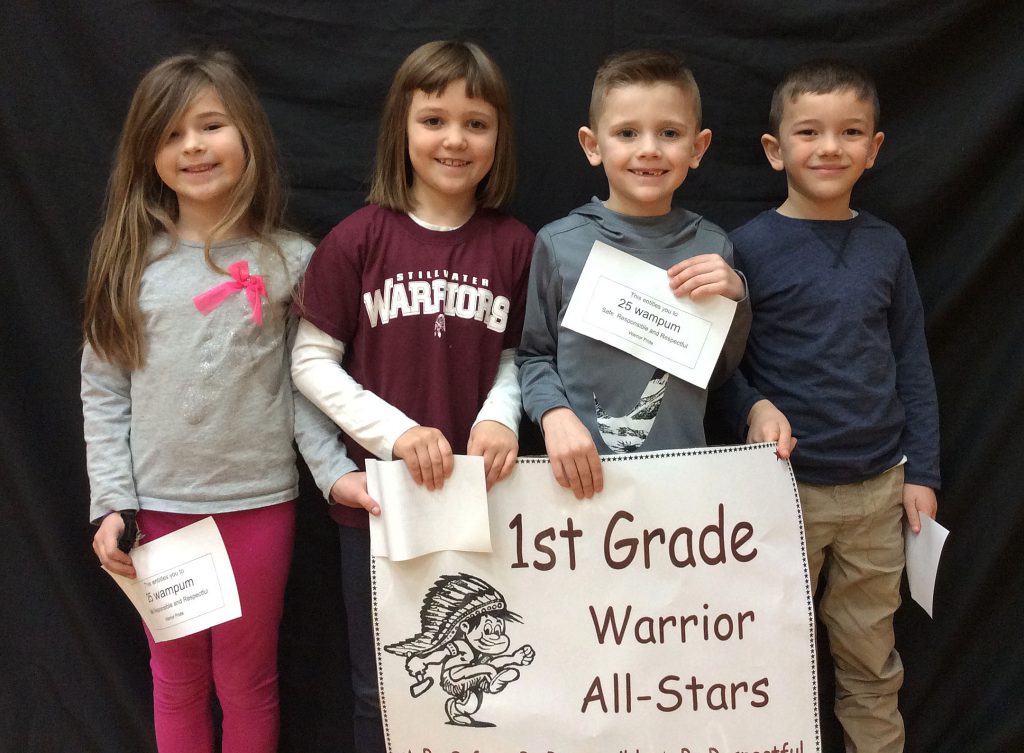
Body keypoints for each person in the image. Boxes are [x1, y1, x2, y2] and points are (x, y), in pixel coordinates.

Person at [81, 51, 364, 753]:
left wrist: (331, 473)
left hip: (258, 506)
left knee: (247, 682)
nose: (194, 146)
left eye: (211, 125)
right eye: (172, 134)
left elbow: (306, 386)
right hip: (162, 511)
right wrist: (112, 501)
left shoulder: (292, 260)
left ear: (248, 138)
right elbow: (104, 390)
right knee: (175, 680)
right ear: (148, 153)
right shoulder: (129, 264)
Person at [290, 40, 534, 753]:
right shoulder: (358, 238)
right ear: (402, 126)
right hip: (380, 507)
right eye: (434, 119)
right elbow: (308, 359)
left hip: (485, 502)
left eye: (475, 122)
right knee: (384, 689)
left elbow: (520, 356)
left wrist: (498, 417)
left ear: (499, 137)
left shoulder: (516, 245)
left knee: (487, 679)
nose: (454, 139)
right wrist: (396, 433)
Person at [713, 60, 941, 753]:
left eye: (850, 132)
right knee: (765, 660)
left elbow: (913, 363)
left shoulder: (887, 246)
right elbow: (722, 372)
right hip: (785, 493)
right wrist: (752, 405)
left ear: (873, 149)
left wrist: (924, 473)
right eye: (809, 131)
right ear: (775, 149)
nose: (829, 147)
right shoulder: (745, 248)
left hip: (880, 492)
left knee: (872, 665)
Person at [516, 49, 751, 499]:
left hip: (682, 487)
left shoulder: (713, 247)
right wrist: (553, 416)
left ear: (697, 148)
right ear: (592, 144)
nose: (649, 148)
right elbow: (534, 357)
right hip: (579, 489)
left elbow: (719, 374)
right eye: (627, 132)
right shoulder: (558, 243)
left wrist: (737, 297)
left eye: (669, 133)